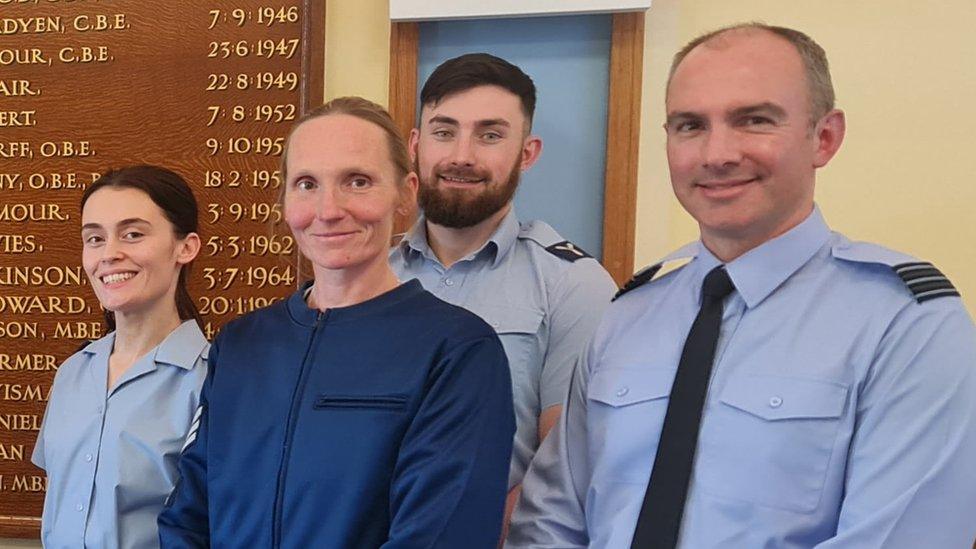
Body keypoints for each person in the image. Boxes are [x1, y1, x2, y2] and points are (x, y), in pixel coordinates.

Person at [507, 23, 976, 548]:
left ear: (824, 137)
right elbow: (549, 524)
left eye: (754, 120)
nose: (717, 154)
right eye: (690, 125)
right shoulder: (629, 315)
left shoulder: (907, 324)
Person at [158, 97, 515, 547]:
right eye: (306, 184)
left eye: (358, 181)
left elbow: (441, 537)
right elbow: (188, 514)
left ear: (406, 193)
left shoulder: (457, 352)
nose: (328, 210)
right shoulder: (242, 344)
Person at [389, 53, 618, 533]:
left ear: (527, 153)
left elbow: (567, 464)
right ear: (415, 145)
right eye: (443, 131)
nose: (461, 156)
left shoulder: (571, 284)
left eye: (490, 135)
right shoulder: (372, 276)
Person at [33, 166, 207, 549]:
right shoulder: (74, 373)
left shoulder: (210, 383)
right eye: (94, 238)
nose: (109, 254)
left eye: (133, 234)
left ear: (185, 247)